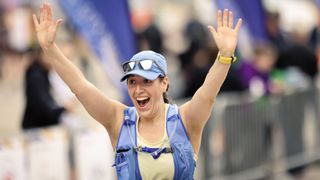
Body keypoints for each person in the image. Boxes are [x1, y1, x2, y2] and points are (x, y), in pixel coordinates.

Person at [32, 3, 242, 179]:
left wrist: (224, 57)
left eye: (146, 81)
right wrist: (50, 49)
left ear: (164, 83)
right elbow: (80, 86)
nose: (138, 89)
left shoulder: (186, 120)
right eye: (132, 82)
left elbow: (208, 93)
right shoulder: (118, 119)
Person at [22, 50, 69, 129]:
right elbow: (43, 106)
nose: (53, 62)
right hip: (36, 125)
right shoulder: (37, 76)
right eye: (51, 58)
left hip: (38, 123)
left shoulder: (43, 72)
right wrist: (63, 109)